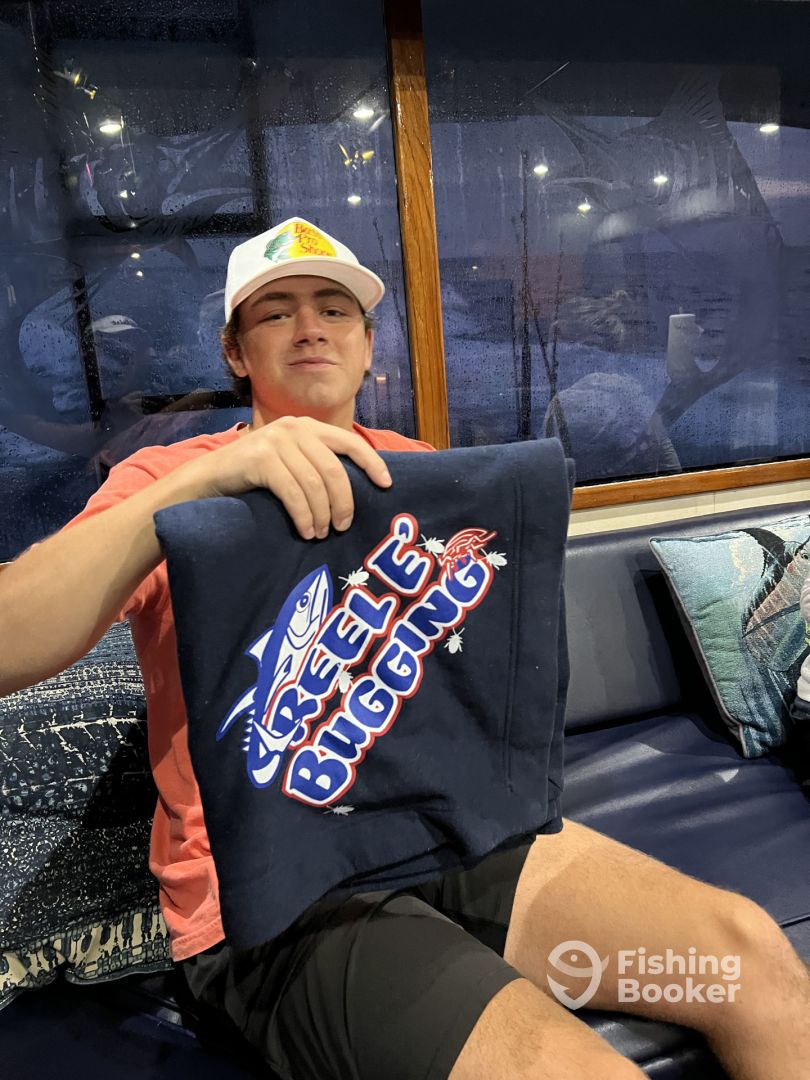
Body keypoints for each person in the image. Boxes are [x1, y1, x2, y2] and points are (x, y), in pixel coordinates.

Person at [0, 216, 808, 1080]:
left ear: (367, 344)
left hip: (448, 836)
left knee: (749, 956)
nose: (309, 327)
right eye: (275, 312)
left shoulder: (420, 471)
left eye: (333, 309)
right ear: (236, 352)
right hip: (273, 886)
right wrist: (203, 483)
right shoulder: (167, 482)